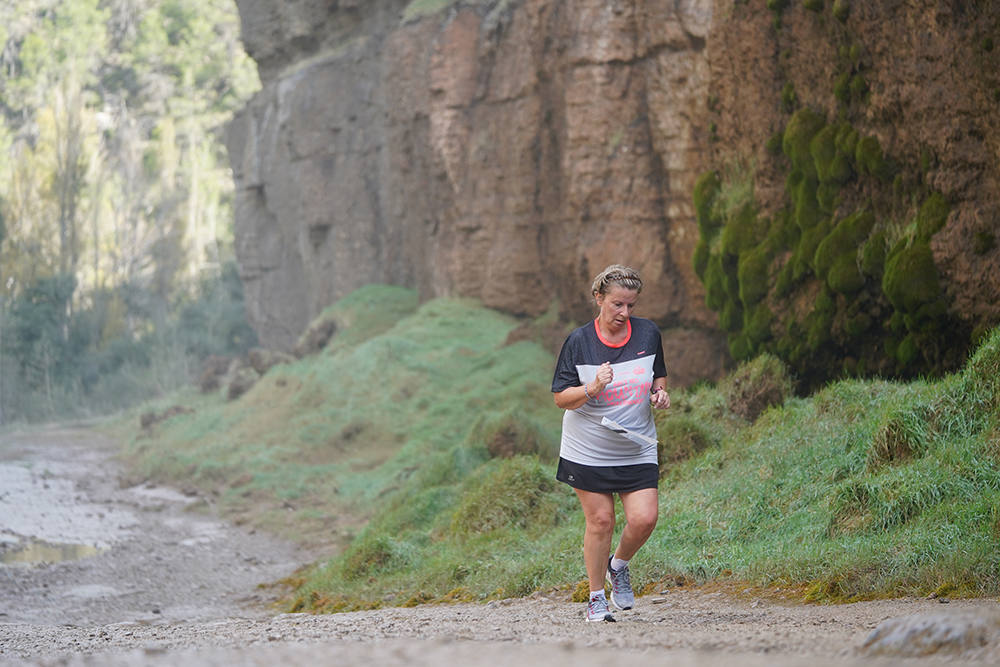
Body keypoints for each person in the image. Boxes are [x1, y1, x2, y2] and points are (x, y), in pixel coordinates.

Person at [551, 264, 670, 622]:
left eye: (631, 306)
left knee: (645, 518)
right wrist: (592, 388)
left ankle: (617, 566)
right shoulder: (579, 342)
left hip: (636, 444)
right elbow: (560, 397)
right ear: (599, 298)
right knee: (601, 520)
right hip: (587, 447)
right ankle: (596, 597)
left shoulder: (648, 333)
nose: (625, 313)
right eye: (617, 304)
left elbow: (657, 375)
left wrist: (660, 394)